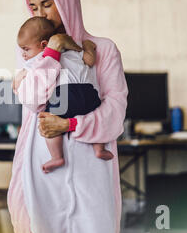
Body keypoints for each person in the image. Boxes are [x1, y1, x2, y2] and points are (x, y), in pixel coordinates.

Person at [7, 0, 128, 233]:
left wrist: (71, 125)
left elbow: (115, 109)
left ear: (67, 0)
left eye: (48, 4)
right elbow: (33, 99)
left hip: (91, 161)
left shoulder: (103, 49)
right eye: (34, 7)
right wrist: (52, 50)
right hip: (43, 161)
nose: (41, 13)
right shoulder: (31, 51)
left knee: (93, 230)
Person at [14, 16, 113, 174]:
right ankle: (99, 148)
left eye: (26, 49)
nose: (23, 55)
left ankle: (57, 156)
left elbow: (32, 93)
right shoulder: (73, 51)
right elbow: (89, 60)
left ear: (44, 45)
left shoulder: (39, 59)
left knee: (50, 125)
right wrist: (88, 48)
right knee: (95, 117)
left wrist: (20, 79)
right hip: (89, 93)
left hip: (64, 95)